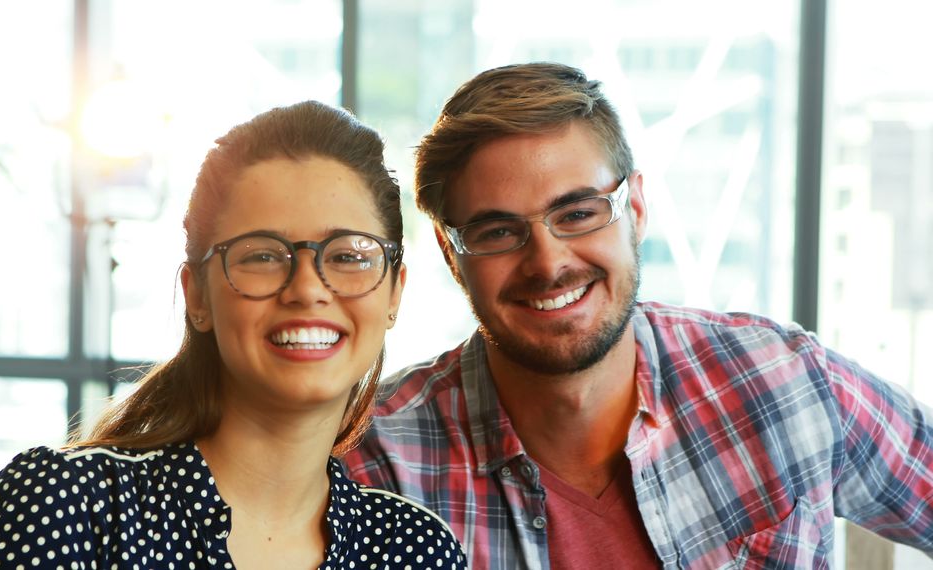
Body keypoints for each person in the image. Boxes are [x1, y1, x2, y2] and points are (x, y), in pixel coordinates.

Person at [342, 62, 933, 569]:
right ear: (452, 255)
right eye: (499, 231)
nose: (548, 264)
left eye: (578, 213)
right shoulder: (376, 468)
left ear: (638, 208)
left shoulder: (783, 382)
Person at [0, 101, 466, 569]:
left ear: (394, 293)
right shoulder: (68, 506)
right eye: (263, 256)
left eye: (349, 255)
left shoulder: (416, 550)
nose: (308, 288)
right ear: (197, 295)